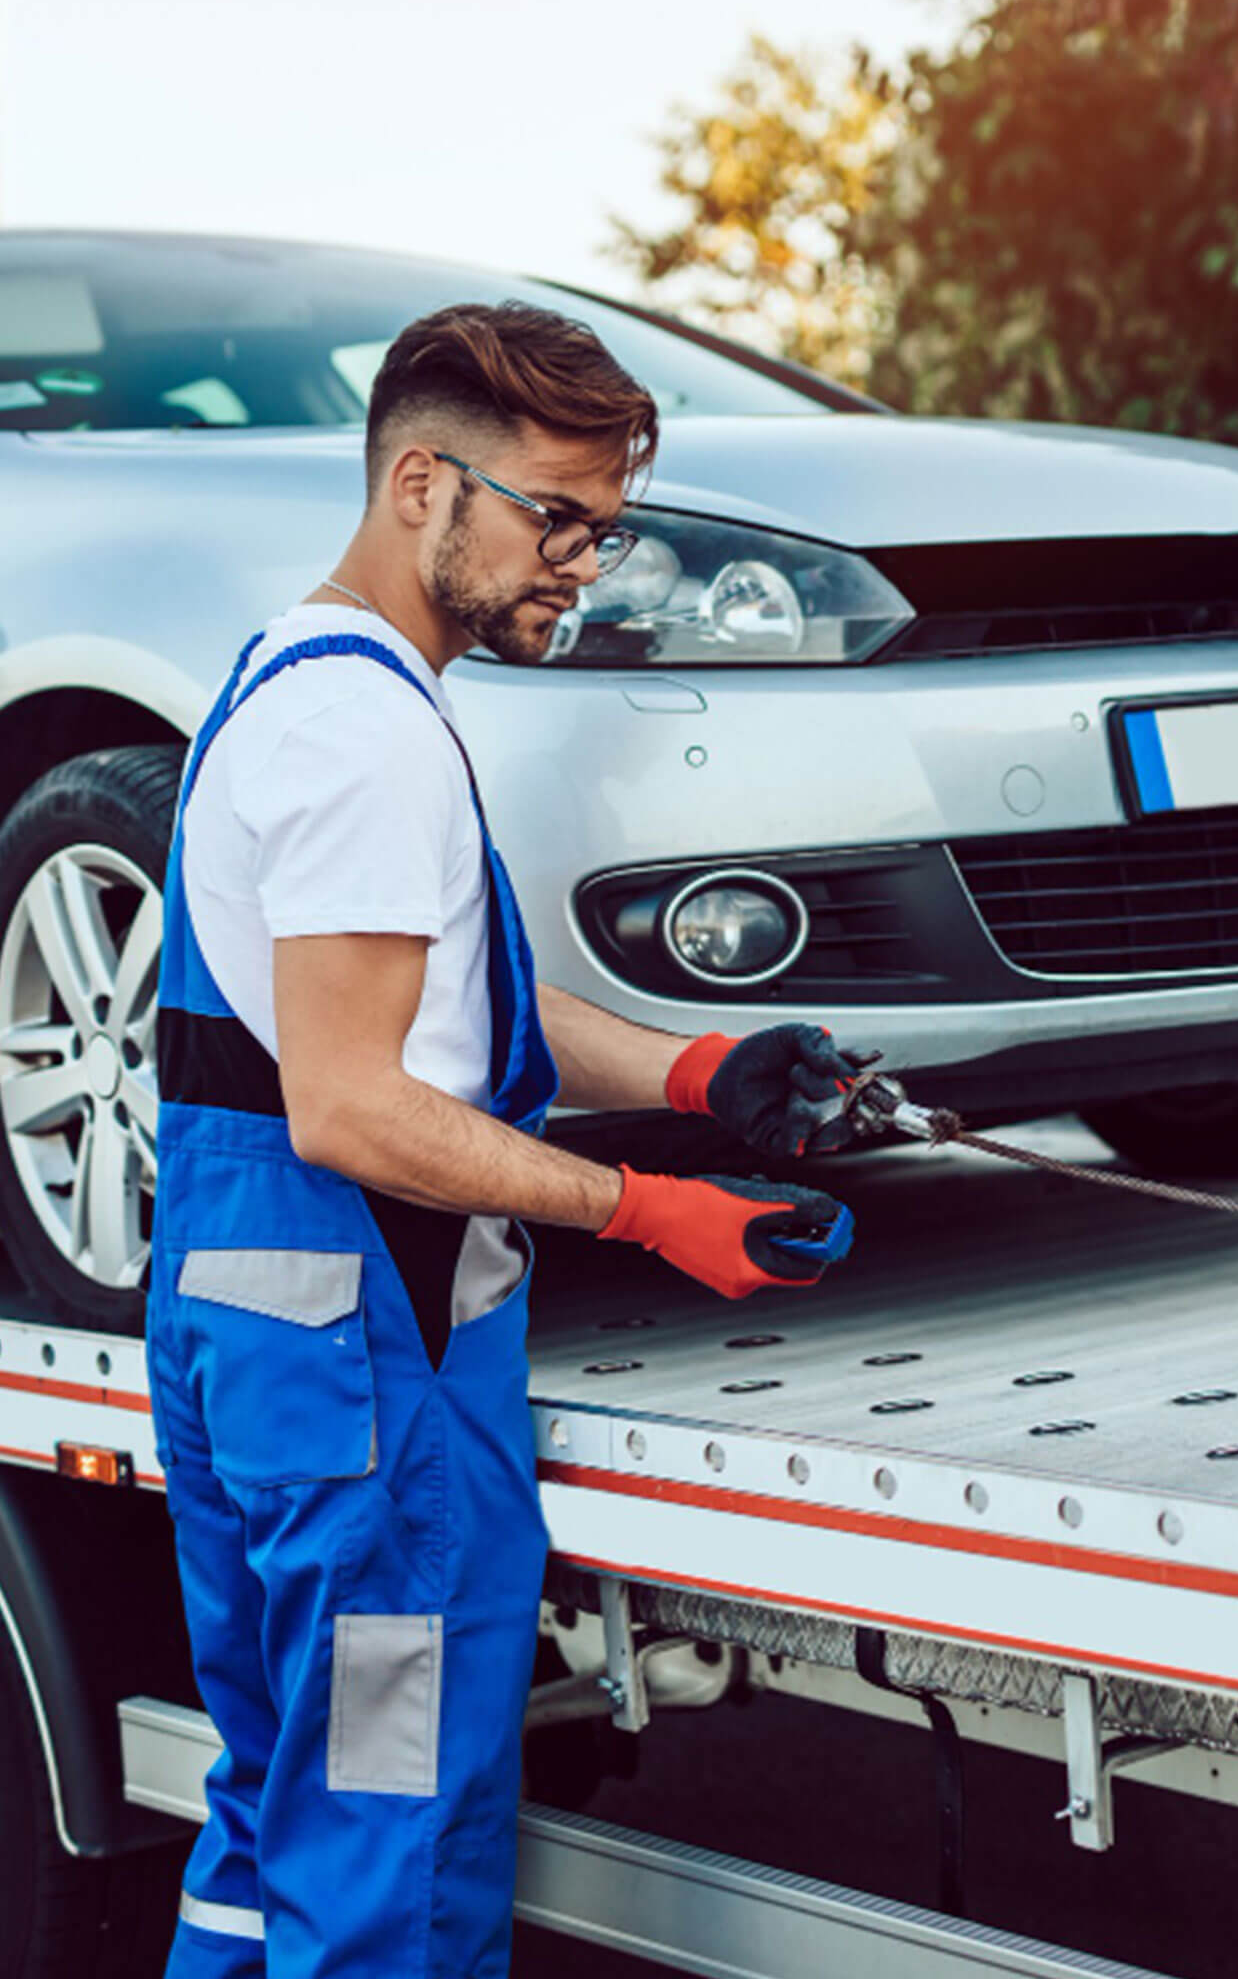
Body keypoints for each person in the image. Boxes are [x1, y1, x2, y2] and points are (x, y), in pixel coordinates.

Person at [146, 299, 863, 1979]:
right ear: (420, 484)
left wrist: (695, 1074)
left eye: (600, 533)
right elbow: (354, 1103)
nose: (581, 569)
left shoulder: (296, 678)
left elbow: (439, 1007)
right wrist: (646, 1210)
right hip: (368, 1380)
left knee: (279, 1810)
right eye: (556, 521)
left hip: (272, 1351)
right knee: (387, 1836)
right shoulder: (365, 731)